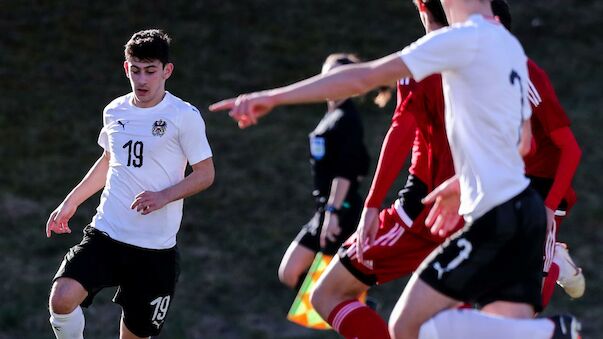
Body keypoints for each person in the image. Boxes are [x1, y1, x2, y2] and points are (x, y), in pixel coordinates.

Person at [210, 0, 581, 337]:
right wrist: (461, 182)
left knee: (408, 326)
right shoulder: (509, 46)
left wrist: (272, 97)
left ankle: (550, 333)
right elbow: (523, 142)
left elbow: (363, 77)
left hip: (494, 215)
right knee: (484, 325)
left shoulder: (461, 39)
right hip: (523, 210)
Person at [303, 2, 461, 338]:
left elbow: (401, 130)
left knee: (325, 294)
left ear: (421, 7)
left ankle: (549, 329)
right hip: (479, 205)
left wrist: (372, 205)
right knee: (446, 317)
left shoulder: (418, 60)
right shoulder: (495, 60)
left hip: (424, 209)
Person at [46, 29, 214, 339]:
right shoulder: (115, 110)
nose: (142, 79)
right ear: (127, 69)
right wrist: (71, 201)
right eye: (135, 70)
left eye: (151, 71)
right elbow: (109, 160)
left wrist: (164, 196)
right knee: (62, 298)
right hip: (107, 233)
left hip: (154, 250)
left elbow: (205, 174)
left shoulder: (183, 116)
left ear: (167, 71)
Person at [490, 0, 585, 308]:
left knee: (528, 293)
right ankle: (553, 255)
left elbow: (570, 148)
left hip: (541, 186)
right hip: (506, 182)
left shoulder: (526, 74)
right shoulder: (474, 74)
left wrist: (548, 206)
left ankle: (552, 260)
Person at [278, 53, 370, 290]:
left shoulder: (348, 118)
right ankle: (354, 307)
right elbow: (362, 162)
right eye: (325, 74)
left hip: (339, 210)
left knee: (319, 283)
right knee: (290, 273)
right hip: (325, 207)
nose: (327, 80)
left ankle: (357, 310)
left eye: (335, 76)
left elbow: (347, 170)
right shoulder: (332, 115)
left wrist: (333, 212)